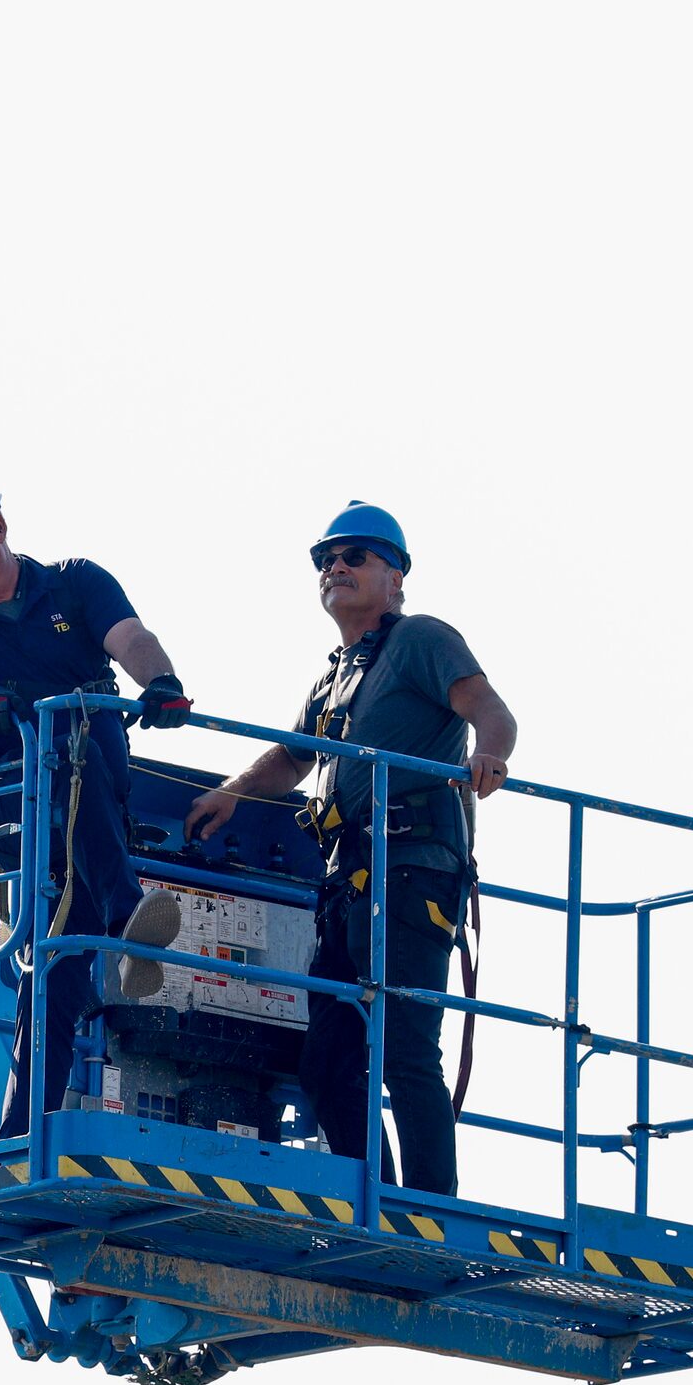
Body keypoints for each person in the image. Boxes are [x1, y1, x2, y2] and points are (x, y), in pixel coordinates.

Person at [184, 502, 517, 1196]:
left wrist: (489, 755)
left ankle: (430, 1208)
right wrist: (232, 793)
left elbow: (490, 710)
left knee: (403, 1050)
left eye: (354, 556)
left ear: (395, 576)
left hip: (410, 875)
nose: (336, 567)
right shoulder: (335, 675)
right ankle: (374, 1193)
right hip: (349, 886)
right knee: (328, 1061)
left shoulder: (421, 640)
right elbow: (290, 757)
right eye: (325, 560)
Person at [0, 463, 191, 1135]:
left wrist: (161, 682)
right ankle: (124, 910)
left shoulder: (75, 584)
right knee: (54, 752)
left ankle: (17, 1135)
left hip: (90, 806)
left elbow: (129, 639)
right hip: (3, 802)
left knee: (53, 972)